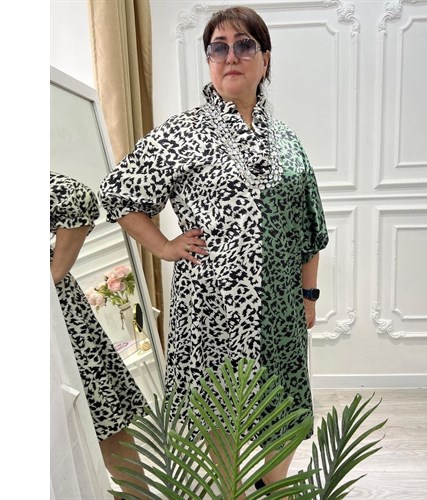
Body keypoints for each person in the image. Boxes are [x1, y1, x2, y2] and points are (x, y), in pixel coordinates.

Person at [99, 5, 328, 496]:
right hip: (212, 309)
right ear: (208, 60)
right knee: (220, 409)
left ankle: (271, 489)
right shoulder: (183, 131)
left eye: (244, 45)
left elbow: (311, 227)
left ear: (265, 59)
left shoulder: (288, 140)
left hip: (280, 310)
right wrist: (164, 246)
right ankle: (232, 490)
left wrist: (308, 294)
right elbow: (119, 195)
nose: (230, 57)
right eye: (218, 48)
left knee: (285, 407)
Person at [50, 171, 149, 498]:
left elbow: (74, 196)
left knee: (101, 412)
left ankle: (139, 496)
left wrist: (53, 275)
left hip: (54, 316)